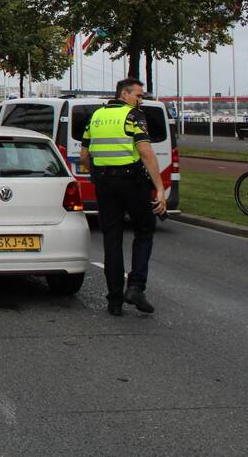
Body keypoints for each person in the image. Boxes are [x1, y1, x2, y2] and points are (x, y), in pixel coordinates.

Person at [80, 78, 167, 317]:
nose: (140, 101)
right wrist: (159, 189)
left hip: (104, 183)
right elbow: (146, 153)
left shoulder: (95, 116)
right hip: (131, 181)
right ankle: (136, 287)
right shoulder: (133, 116)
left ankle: (114, 300)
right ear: (124, 94)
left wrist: (95, 173)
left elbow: (84, 155)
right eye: (138, 96)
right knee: (144, 229)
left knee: (112, 239)